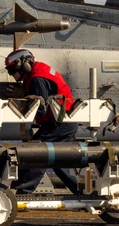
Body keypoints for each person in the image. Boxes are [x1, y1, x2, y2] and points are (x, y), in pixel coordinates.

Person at [5, 48, 80, 195]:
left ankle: (23, 192)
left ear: (24, 64)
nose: (12, 75)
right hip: (65, 121)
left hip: (59, 123)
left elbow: (41, 109)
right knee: (58, 162)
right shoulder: (39, 70)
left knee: (38, 152)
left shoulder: (37, 78)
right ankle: (81, 192)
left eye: (12, 70)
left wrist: (23, 98)